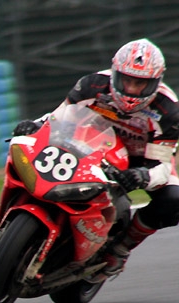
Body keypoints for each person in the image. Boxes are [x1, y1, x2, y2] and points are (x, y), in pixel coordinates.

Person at [13, 38, 179, 278]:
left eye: (140, 84)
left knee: (173, 199)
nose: (132, 90)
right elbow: (59, 116)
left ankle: (121, 249)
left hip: (142, 160)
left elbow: (162, 165)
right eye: (127, 81)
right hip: (91, 145)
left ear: (156, 82)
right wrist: (35, 125)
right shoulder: (92, 84)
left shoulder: (168, 110)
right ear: (115, 73)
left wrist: (142, 175)